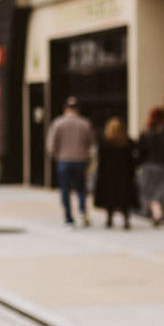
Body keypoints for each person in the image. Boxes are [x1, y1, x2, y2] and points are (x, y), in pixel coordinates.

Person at [47, 96, 95, 226]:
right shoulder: (85, 123)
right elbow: (91, 144)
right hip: (80, 160)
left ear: (65, 109)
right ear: (77, 109)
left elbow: (51, 145)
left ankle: (68, 216)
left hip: (64, 160)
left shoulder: (58, 123)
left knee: (65, 189)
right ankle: (82, 211)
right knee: (81, 189)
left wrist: (56, 156)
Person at [93, 117, 137, 229]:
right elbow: (132, 160)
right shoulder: (127, 142)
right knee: (124, 198)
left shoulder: (105, 142)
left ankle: (109, 218)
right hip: (124, 174)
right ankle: (126, 219)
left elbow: (101, 160)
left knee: (110, 197)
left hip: (109, 174)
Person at [138, 106, 164, 227]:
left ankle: (156, 212)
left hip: (149, 165)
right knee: (160, 191)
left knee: (148, 191)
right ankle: (157, 212)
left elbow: (140, 150)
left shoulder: (146, 132)